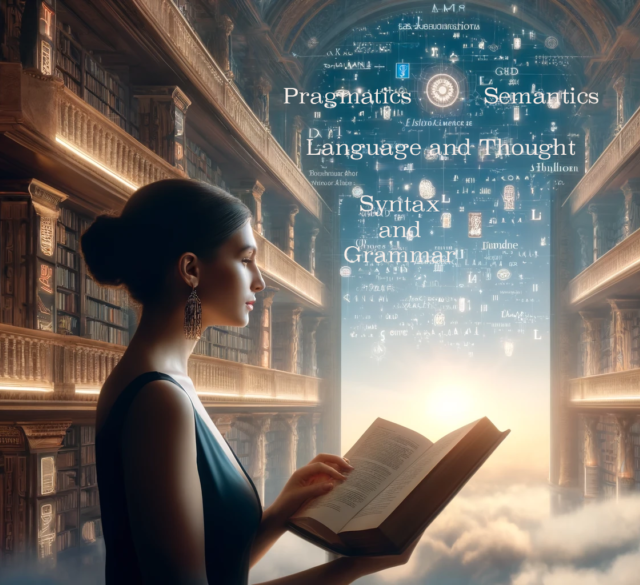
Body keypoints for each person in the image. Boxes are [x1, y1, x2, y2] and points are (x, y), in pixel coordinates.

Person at [81, 179, 418, 584]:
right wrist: (353, 566)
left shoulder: (164, 383)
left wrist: (280, 512)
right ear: (191, 270)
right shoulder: (158, 399)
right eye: (245, 260)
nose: (259, 281)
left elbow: (219, 566)